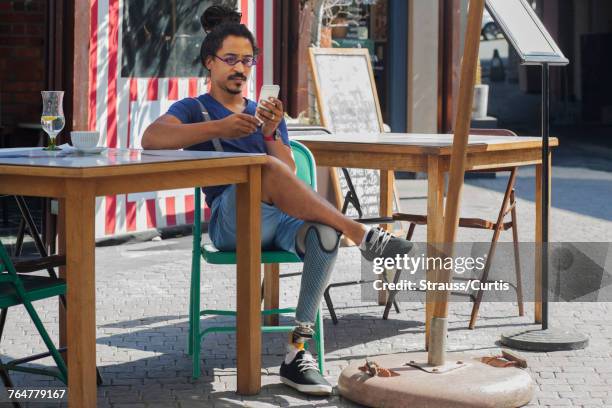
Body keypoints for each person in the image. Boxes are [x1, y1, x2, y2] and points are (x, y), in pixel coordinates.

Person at [142, 5, 413, 396]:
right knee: (263, 169)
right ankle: (361, 233)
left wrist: (270, 131)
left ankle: (296, 352)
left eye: (247, 60)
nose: (240, 68)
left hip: (279, 220)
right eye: (230, 59)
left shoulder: (264, 113)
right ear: (209, 63)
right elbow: (151, 139)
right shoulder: (194, 108)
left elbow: (289, 171)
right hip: (229, 220)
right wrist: (220, 127)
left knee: (322, 232)